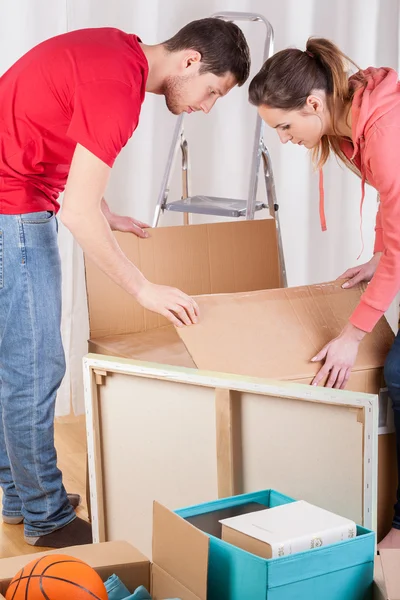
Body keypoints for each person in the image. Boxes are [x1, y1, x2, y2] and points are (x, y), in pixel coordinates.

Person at [0, 18, 250, 548]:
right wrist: (142, 289)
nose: (206, 107)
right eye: (213, 92)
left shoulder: (117, 52)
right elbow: (76, 213)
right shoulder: (120, 91)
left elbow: (50, 127)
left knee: (17, 360)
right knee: (36, 365)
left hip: (17, 188)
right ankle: (46, 518)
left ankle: (18, 493)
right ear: (189, 61)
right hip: (12, 204)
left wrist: (102, 210)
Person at [248, 37, 400, 548]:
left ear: (313, 103)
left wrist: (352, 335)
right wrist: (379, 258)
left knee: (398, 371)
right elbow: (391, 207)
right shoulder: (352, 119)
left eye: (284, 126)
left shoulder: (381, 131)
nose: (285, 139)